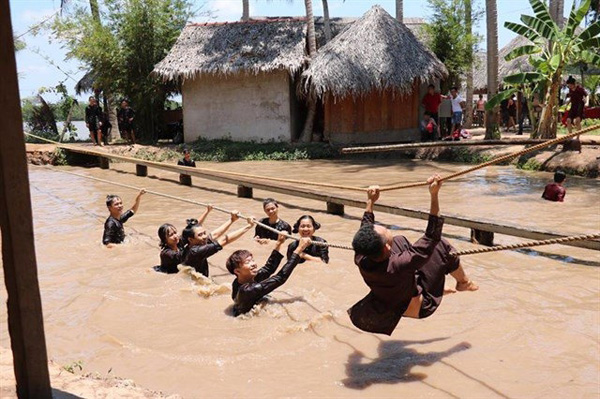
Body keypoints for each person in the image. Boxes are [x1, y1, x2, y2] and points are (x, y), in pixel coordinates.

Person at [349, 177, 478, 335]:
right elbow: (432, 237)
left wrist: (371, 201)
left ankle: (434, 285)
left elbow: (365, 229)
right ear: (386, 248)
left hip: (396, 299)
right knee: (441, 245)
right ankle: (463, 282)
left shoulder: (361, 257)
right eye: (384, 229)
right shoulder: (399, 264)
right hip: (421, 306)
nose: (385, 227)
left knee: (400, 240)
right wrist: (434, 194)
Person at [227, 235, 311, 316]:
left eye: (252, 260)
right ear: (237, 271)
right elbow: (280, 278)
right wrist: (299, 249)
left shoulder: (242, 279)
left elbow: (268, 268)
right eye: (248, 262)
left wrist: (279, 243)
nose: (253, 264)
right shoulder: (248, 290)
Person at [181, 211, 254, 277]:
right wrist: (249, 226)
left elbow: (215, 234)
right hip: (195, 283)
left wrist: (232, 220)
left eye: (204, 233)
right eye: (200, 235)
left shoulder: (195, 243)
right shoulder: (196, 251)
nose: (205, 236)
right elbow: (224, 240)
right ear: (190, 239)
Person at [155, 206, 213, 274]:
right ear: (164, 240)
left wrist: (207, 211)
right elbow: (182, 256)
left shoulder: (178, 242)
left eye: (175, 233)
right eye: (171, 235)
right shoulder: (166, 253)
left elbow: (193, 229)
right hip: (168, 273)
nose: (175, 236)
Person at [565, 76, 587, 146]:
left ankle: (577, 137)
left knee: (577, 121)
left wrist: (586, 102)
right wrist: (567, 103)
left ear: (574, 84)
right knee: (568, 120)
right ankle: (571, 135)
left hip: (580, 106)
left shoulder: (580, 89)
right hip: (573, 106)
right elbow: (571, 97)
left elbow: (586, 95)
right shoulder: (570, 90)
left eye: (570, 85)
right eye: (568, 85)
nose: (569, 86)